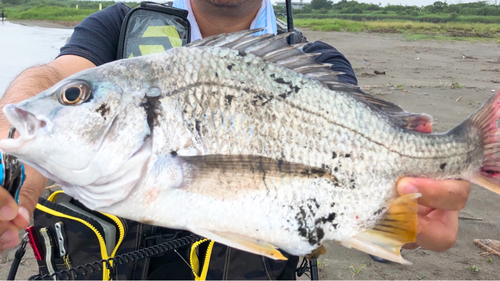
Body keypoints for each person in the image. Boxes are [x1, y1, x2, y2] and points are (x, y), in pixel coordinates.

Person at [0, 0, 471, 279]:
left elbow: (358, 198)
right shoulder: (117, 27)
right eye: (77, 96)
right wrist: (14, 168)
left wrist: (406, 219)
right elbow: (54, 77)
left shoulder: (317, 62)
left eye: (77, 97)